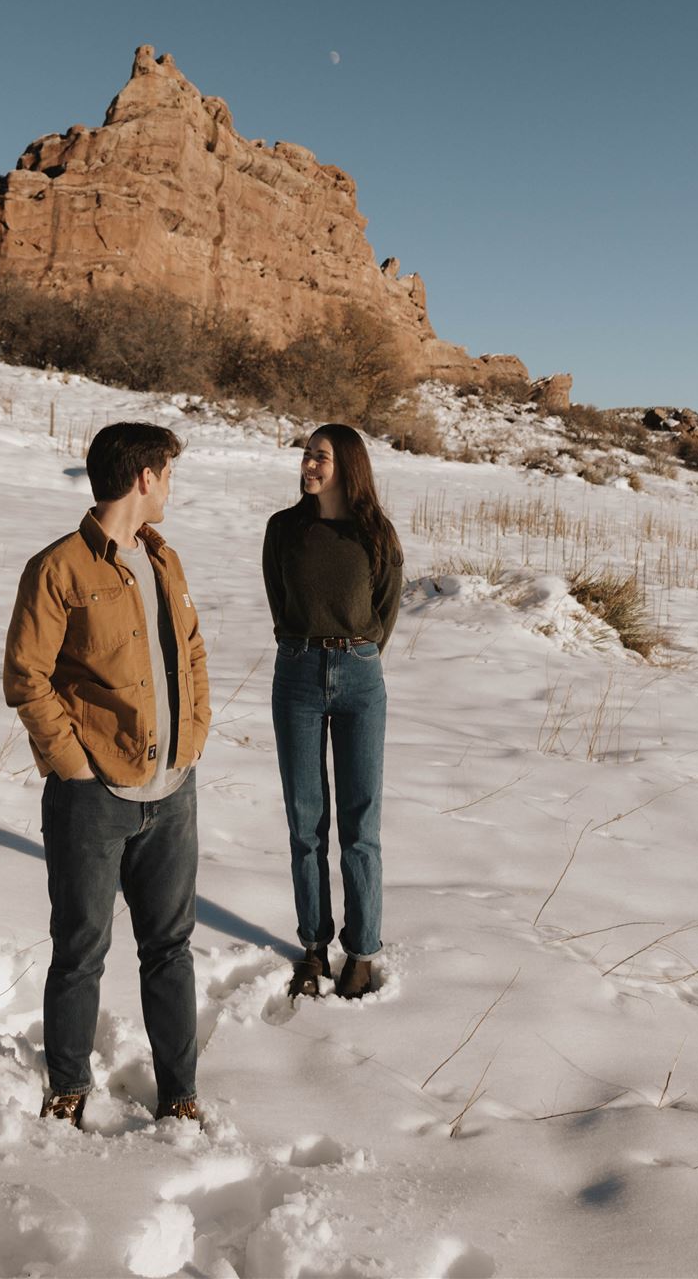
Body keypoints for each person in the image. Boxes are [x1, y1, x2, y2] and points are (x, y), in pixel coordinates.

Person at [3, 421, 210, 1129]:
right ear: (144, 477)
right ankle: (67, 1087)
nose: (171, 488)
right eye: (167, 475)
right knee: (81, 948)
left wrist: (194, 739)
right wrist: (73, 768)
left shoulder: (165, 559)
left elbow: (192, 651)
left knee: (170, 950)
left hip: (172, 792)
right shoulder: (58, 568)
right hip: (92, 797)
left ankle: (178, 1094)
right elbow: (25, 677)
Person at [262, 423, 403, 1002]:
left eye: (320, 456)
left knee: (360, 824)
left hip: (361, 680)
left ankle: (362, 952)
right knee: (305, 821)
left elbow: (385, 609)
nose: (308, 464)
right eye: (305, 454)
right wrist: (310, 646)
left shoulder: (376, 534)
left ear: (348, 465)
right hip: (296, 673)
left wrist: (355, 652)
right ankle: (314, 947)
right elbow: (280, 598)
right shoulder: (284, 529)